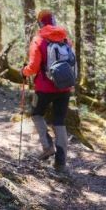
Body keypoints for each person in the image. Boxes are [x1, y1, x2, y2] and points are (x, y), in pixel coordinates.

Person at [22, 10, 74, 172]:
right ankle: (61, 163)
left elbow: (33, 67)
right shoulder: (66, 39)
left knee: (36, 114)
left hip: (44, 88)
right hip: (64, 86)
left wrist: (23, 71)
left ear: (41, 23)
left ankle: (47, 146)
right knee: (59, 121)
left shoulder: (39, 40)